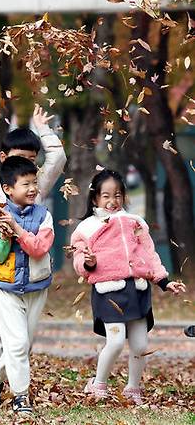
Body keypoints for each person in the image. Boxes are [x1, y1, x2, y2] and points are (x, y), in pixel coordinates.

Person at [0, 97, 66, 387]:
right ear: (2, 158)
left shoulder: (36, 185)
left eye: (31, 163)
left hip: (31, 263)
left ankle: (9, 380)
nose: (26, 169)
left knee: (23, 332)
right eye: (18, 160)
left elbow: (58, 159)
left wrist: (43, 130)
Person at [71, 169, 186, 405]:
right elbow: (78, 261)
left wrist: (164, 281)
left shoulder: (136, 223)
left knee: (141, 345)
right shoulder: (87, 228)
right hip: (109, 292)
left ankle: (133, 388)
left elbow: (149, 254)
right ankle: (98, 384)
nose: (112, 201)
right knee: (114, 342)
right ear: (95, 198)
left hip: (138, 290)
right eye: (106, 196)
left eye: (117, 195)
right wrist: (88, 263)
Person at [0, 156, 55, 415]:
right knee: (17, 345)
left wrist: (17, 230)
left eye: (34, 182)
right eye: (26, 184)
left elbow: (39, 249)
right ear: (8, 189)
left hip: (37, 288)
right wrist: (3, 235)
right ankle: (20, 397)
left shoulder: (44, 216)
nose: (33, 188)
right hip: (8, 289)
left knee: (22, 345)